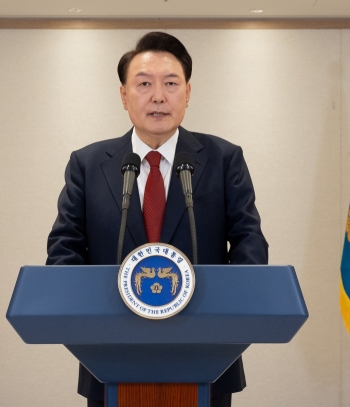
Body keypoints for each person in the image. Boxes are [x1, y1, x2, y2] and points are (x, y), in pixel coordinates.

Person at [46, 31, 269, 407]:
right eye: (144, 84)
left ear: (188, 92)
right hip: (110, 359)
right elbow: (64, 249)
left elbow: (249, 242)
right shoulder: (87, 164)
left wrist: (229, 317)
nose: (158, 97)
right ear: (123, 95)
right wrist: (87, 318)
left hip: (206, 359)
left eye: (170, 83)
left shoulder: (222, 158)